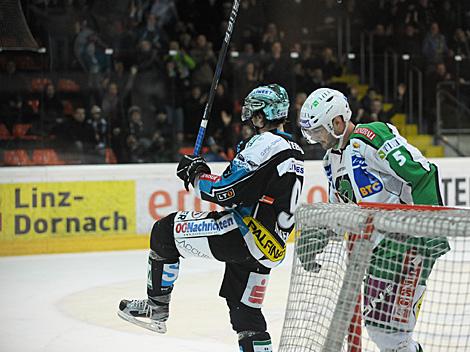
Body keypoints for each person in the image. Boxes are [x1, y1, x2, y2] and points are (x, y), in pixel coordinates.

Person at [118, 84, 304, 352]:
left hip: (244, 234)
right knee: (246, 315)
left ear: (262, 116)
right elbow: (253, 191)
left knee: (164, 231)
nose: (251, 122)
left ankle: (156, 307)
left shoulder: (265, 144)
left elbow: (226, 191)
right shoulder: (294, 150)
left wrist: (196, 174)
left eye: (254, 116)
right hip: (271, 246)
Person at [298, 88, 450, 352]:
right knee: (381, 330)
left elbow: (423, 174)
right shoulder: (330, 161)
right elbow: (344, 213)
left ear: (337, 122)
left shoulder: (370, 137)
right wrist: (319, 234)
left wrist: (430, 227)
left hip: (408, 242)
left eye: (319, 131)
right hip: (378, 252)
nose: (316, 139)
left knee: (390, 332)